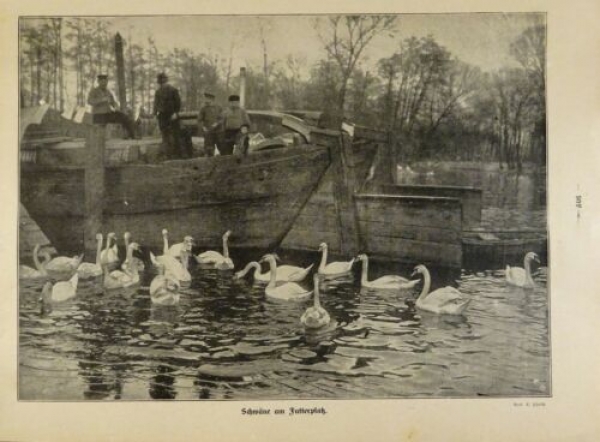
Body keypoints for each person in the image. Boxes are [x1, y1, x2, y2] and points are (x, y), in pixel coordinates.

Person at [87, 74, 138, 139]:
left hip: (108, 114)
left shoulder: (108, 91)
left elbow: (113, 102)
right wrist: (101, 100)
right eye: (102, 81)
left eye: (105, 81)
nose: (104, 83)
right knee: (100, 132)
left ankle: (131, 135)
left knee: (123, 116)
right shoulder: (94, 91)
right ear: (98, 82)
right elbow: (89, 101)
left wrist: (116, 106)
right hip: (98, 115)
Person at [153, 73, 183, 159]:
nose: (163, 84)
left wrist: (176, 113)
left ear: (166, 81)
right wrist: (155, 114)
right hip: (162, 116)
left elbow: (178, 103)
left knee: (175, 135)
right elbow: (156, 104)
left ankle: (178, 154)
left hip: (172, 115)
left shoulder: (173, 90)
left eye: (164, 82)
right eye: (161, 83)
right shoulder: (158, 92)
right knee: (165, 136)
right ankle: (168, 155)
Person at [198, 91, 222, 157]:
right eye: (205, 98)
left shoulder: (218, 107)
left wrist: (217, 123)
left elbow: (222, 118)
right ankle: (208, 158)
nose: (206, 100)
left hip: (218, 131)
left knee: (220, 146)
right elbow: (199, 120)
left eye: (208, 98)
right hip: (208, 131)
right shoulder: (203, 108)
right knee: (208, 148)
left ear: (212, 99)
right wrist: (203, 127)